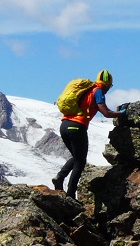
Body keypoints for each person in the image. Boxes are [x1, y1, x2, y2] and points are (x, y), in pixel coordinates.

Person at [52, 69, 121, 198]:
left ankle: (60, 177)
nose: (109, 89)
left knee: (76, 157)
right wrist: (122, 113)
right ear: (106, 84)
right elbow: (106, 113)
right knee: (80, 162)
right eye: (109, 86)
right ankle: (70, 195)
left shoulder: (87, 89)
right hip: (77, 127)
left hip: (65, 125)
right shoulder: (98, 91)